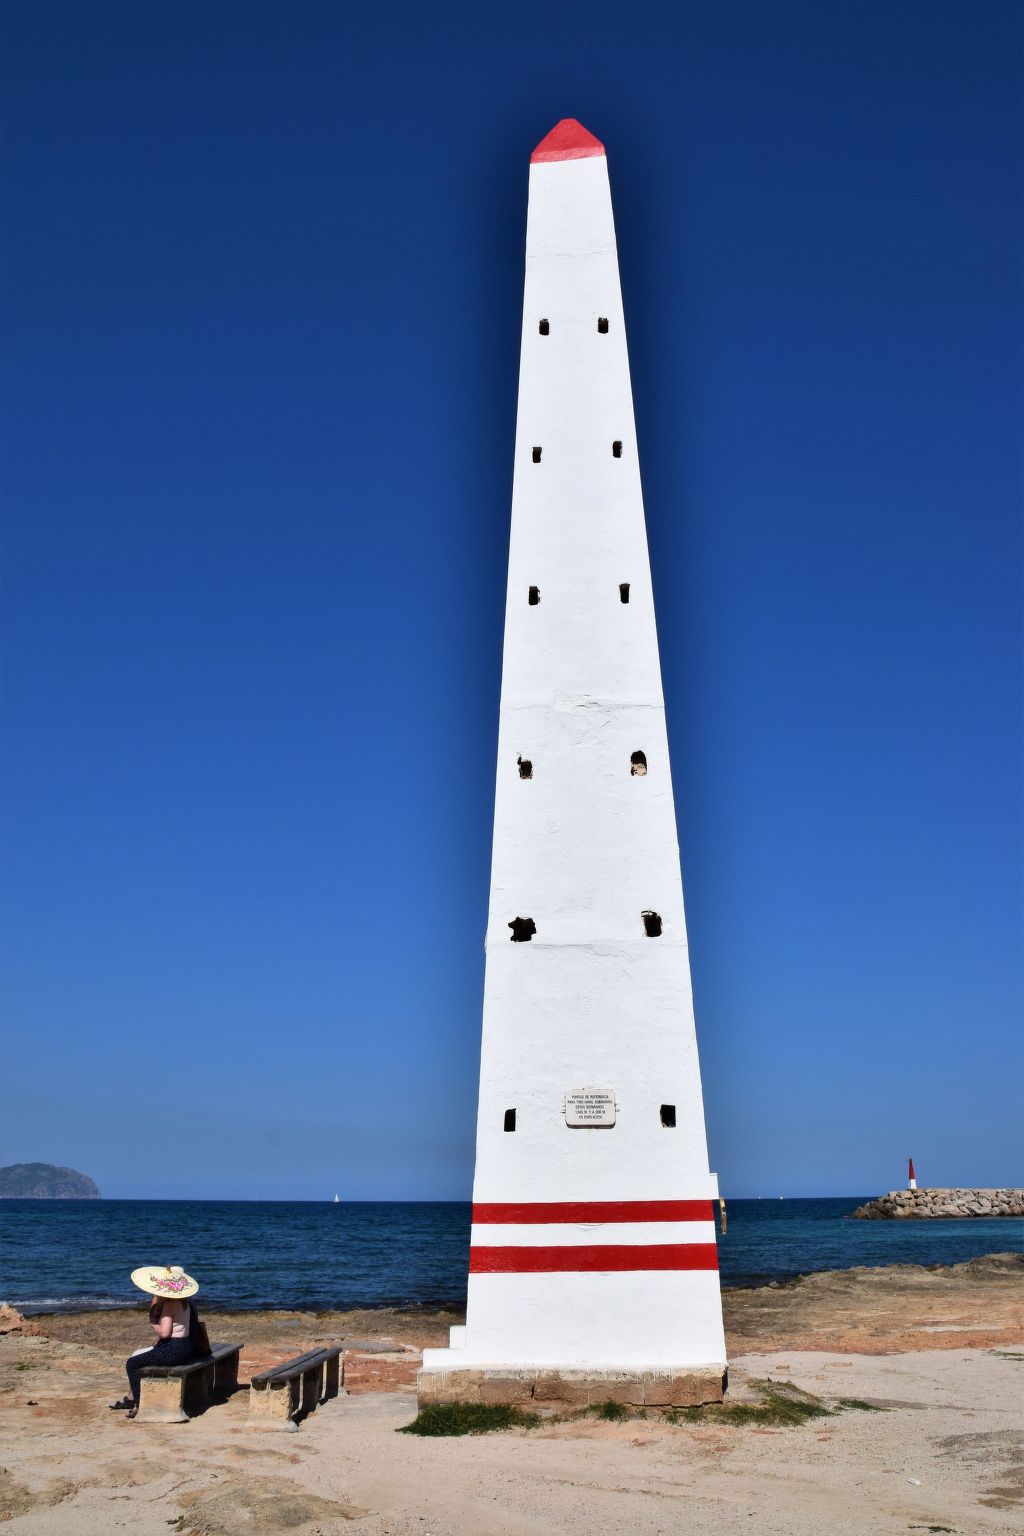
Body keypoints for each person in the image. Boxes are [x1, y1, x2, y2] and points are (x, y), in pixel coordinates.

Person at [109, 1264, 205, 1418]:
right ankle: (132, 1398)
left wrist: (153, 1322)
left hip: (173, 1349)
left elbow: (165, 1333)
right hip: (184, 1347)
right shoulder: (185, 1303)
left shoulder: (170, 1304)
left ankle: (139, 1404)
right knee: (138, 1357)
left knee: (132, 1363)